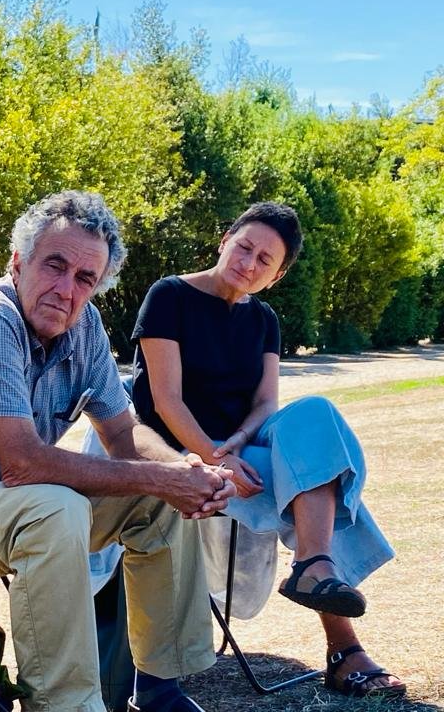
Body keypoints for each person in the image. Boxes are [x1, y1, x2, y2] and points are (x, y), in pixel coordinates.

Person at [0, 190, 236, 712]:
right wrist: (161, 479)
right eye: (54, 265)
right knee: (53, 508)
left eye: (85, 278)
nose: (66, 289)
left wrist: (185, 471)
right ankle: (66, 705)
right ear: (18, 262)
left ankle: (158, 689)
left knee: (155, 502)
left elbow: (125, 435)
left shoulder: (85, 329)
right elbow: (25, 464)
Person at [131, 201, 405, 699]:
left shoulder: (265, 319)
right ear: (224, 242)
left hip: (242, 453)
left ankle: (312, 564)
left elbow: (265, 402)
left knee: (316, 417)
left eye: (264, 261)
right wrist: (215, 455)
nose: (249, 263)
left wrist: (237, 441)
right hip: (175, 451)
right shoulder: (168, 295)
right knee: (311, 477)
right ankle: (343, 646)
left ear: (275, 277)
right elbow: (165, 400)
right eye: (244, 247)